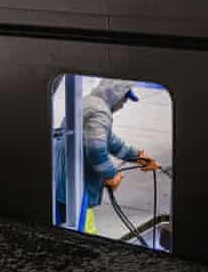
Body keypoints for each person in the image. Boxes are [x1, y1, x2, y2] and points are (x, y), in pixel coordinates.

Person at [54, 79, 158, 234]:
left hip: (63, 173)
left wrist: (136, 156)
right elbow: (96, 150)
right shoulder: (101, 112)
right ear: (116, 95)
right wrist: (111, 175)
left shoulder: (88, 102)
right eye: (124, 99)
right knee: (81, 228)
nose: (123, 104)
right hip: (78, 180)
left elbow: (110, 141)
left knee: (63, 219)